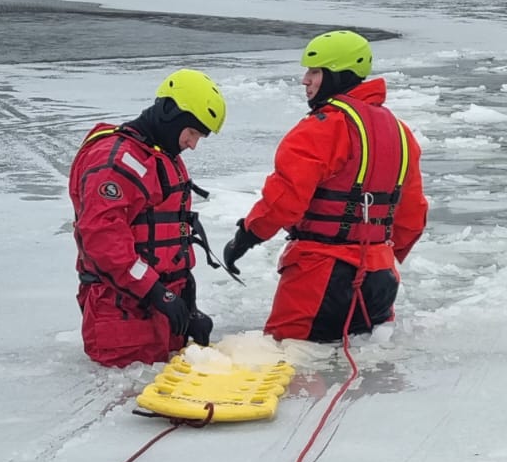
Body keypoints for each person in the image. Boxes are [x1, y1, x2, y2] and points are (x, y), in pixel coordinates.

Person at [222, 30, 428, 343]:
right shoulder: (401, 133)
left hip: (319, 274)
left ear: (338, 75)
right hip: (380, 281)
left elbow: (285, 198)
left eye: (315, 72)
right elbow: (412, 214)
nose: (305, 80)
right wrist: (378, 255)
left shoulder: (321, 128)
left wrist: (246, 236)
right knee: (358, 377)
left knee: (287, 363)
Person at [69, 70, 224, 367]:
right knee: (131, 407)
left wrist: (187, 306)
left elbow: (170, 239)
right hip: (122, 317)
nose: (192, 144)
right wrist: (158, 293)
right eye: (192, 133)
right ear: (170, 113)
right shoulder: (114, 161)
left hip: (160, 313)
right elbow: (104, 243)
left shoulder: (158, 157)